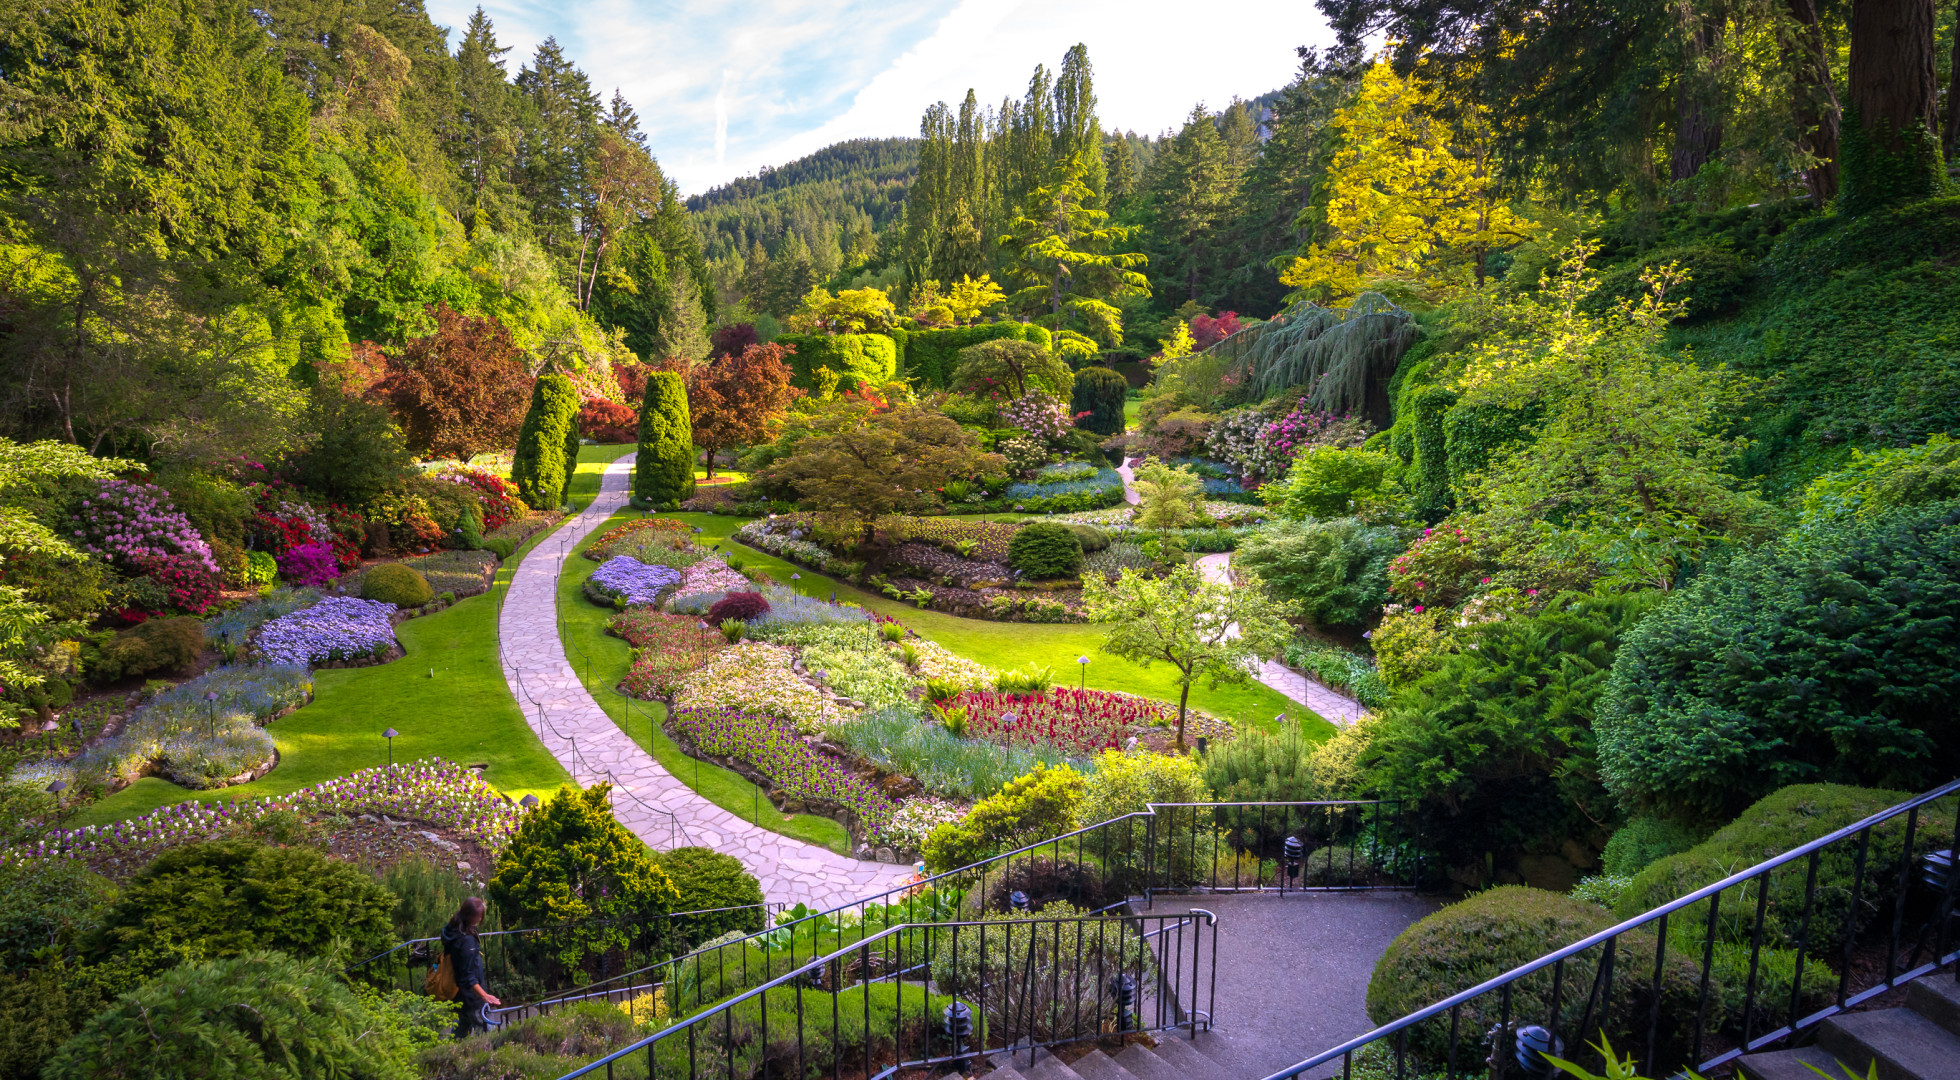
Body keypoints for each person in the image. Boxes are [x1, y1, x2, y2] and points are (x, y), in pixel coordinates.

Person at [442, 897, 501, 1038]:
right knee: (488, 1033)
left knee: (462, 1026)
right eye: (480, 916)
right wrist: (484, 996)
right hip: (471, 997)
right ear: (474, 917)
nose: (481, 919)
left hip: (458, 994)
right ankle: (489, 1058)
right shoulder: (466, 941)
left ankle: (452, 1053)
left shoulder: (452, 929)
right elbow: (467, 976)